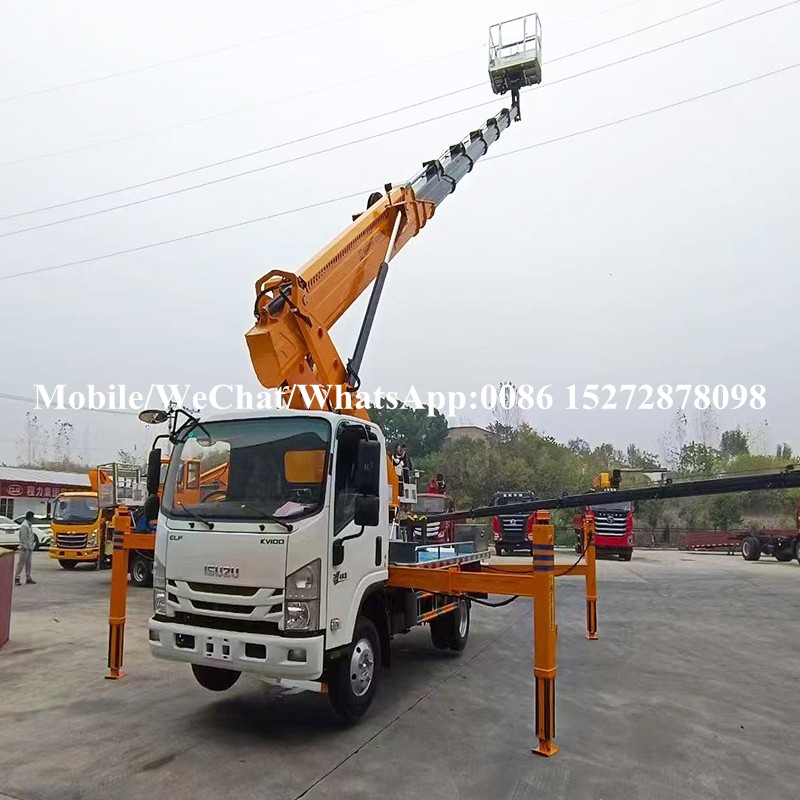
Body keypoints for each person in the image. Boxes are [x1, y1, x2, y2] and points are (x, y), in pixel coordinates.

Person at [15, 511, 37, 586]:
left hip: (29, 548)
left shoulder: (29, 525)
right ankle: (17, 578)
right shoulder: (24, 526)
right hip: (25, 548)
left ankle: (28, 577)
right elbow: (23, 538)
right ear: (30, 517)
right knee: (21, 563)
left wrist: (31, 546)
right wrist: (25, 547)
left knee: (28, 564)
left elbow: (31, 536)